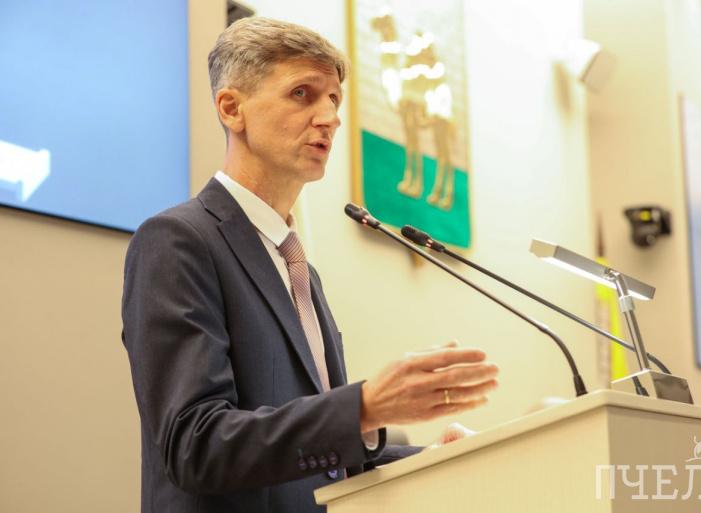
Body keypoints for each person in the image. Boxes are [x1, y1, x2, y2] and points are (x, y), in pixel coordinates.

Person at [121, 16, 498, 513]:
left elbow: (317, 466)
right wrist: (364, 407)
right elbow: (197, 446)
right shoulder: (178, 241)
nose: (330, 117)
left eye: (334, 99)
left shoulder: (297, 265)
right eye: (303, 94)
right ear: (232, 108)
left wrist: (432, 459)